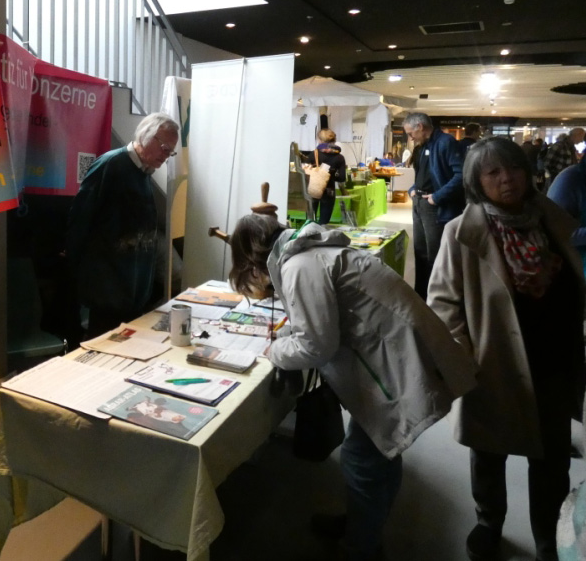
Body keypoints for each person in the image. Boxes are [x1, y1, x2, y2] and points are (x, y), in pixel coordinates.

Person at [228, 213, 477, 561]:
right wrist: (288, 335)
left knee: (362, 458)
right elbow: (318, 321)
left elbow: (317, 345)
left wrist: (275, 350)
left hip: (394, 362)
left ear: (251, 261)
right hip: (396, 352)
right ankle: (363, 524)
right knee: (381, 454)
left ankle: (361, 546)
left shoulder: (299, 266)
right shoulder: (309, 252)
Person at [427, 137, 585, 561]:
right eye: (493, 172)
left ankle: (548, 538)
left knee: (552, 458)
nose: (507, 179)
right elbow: (443, 303)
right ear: (476, 182)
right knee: (489, 451)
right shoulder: (461, 233)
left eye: (514, 168)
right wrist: (463, 358)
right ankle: (488, 523)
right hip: (493, 362)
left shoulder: (551, 219)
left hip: (553, 360)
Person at [66, 112, 179, 337]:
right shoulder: (111, 164)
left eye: (171, 152)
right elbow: (80, 216)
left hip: (132, 290)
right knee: (101, 345)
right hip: (107, 290)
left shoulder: (143, 171)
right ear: (147, 136)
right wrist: (75, 264)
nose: (166, 156)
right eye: (165, 148)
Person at [403, 112, 465, 298]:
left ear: (420, 127)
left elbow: (461, 175)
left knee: (436, 256)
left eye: (411, 133)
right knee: (420, 253)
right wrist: (413, 189)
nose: (410, 137)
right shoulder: (423, 146)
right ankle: (421, 296)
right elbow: (423, 174)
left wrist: (437, 197)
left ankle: (437, 298)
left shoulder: (446, 142)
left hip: (436, 207)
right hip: (419, 203)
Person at [302, 128, 347, 225]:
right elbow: (342, 178)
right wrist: (329, 175)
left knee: (310, 222)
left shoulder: (313, 154)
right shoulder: (340, 157)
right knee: (324, 223)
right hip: (329, 191)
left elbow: (304, 172)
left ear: (320, 140)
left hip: (313, 190)